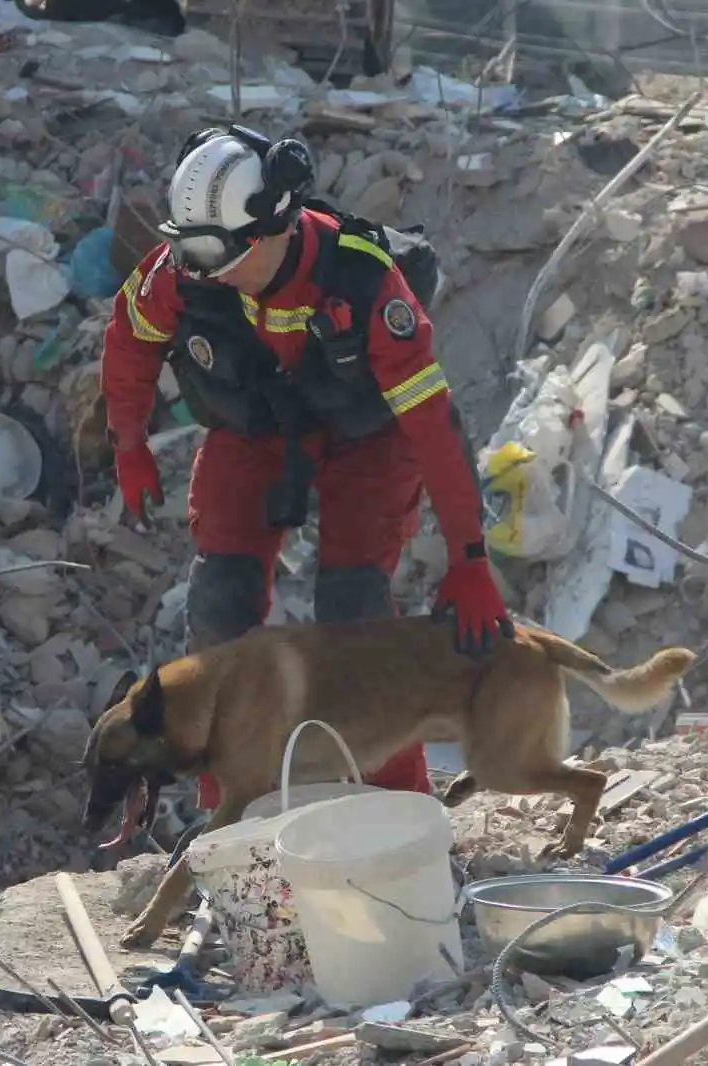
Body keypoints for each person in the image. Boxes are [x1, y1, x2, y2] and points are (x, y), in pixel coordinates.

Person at [99, 123, 511, 807]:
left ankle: (396, 804)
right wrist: (129, 445)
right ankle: (226, 808)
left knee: (354, 616)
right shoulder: (185, 273)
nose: (195, 270)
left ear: (272, 229)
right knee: (218, 607)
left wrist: (470, 558)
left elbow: (435, 429)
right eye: (184, 249)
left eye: (211, 252)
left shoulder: (366, 283)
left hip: (367, 441)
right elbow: (129, 344)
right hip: (253, 433)